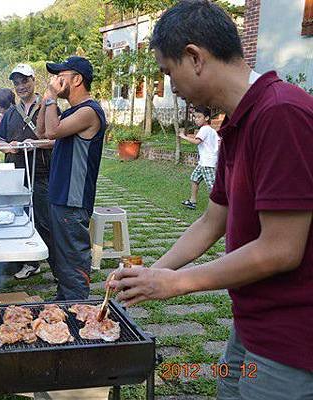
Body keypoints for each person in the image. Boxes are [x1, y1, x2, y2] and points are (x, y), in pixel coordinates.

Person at [105, 2, 313, 399]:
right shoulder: (240, 121)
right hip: (250, 322)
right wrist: (148, 275)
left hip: (291, 338)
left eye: (169, 73)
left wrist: (177, 283)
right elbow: (211, 222)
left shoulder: (280, 113)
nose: (174, 88)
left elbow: (281, 249)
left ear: (195, 57)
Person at [36, 56, 107, 300]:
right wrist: (47, 100)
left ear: (77, 79)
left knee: (74, 261)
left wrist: (51, 98)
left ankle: (77, 311)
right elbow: (42, 131)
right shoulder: (71, 112)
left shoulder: (89, 111)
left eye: (60, 76)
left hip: (73, 199)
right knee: (63, 258)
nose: (55, 80)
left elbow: (53, 130)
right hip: (60, 195)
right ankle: (65, 303)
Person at [0, 64, 55, 280]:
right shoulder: (11, 113)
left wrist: (36, 144)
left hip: (42, 172)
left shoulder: (48, 107)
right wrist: (7, 147)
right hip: (15, 175)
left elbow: (58, 140)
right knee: (17, 219)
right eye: (17, 83)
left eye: (25, 81)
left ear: (33, 80)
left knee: (44, 221)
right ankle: (28, 262)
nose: (21, 86)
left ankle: (59, 269)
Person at [179, 106, 219, 209]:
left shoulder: (204, 129)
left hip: (208, 163)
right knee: (194, 178)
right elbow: (218, 142)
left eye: (199, 117)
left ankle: (218, 207)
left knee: (212, 186)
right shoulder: (211, 130)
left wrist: (184, 137)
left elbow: (197, 141)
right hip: (204, 162)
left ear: (206, 118)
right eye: (195, 117)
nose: (196, 119)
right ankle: (192, 201)